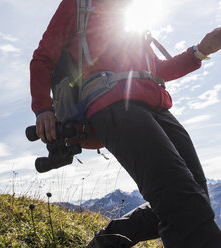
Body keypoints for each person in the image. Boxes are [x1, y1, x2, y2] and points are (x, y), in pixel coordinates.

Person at [30, 0, 221, 247]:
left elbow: (157, 68)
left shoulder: (130, 17)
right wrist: (43, 108)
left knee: (196, 197)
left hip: (157, 106)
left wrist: (200, 50)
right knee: (179, 198)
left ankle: (105, 243)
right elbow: (43, 57)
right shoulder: (78, 4)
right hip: (111, 103)